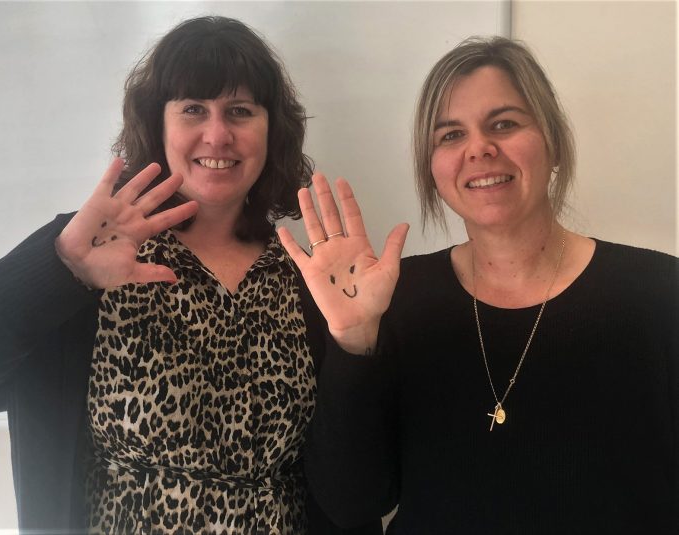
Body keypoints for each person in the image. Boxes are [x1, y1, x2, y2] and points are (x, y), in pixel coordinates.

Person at [0, 16, 380, 534]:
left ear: (270, 131)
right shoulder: (86, 256)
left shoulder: (311, 276)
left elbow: (356, 495)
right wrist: (60, 271)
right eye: (192, 109)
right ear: (157, 128)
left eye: (240, 111)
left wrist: (357, 345)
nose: (218, 133)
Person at [279, 36, 678, 533]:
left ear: (552, 141)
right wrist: (354, 342)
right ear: (433, 169)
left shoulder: (661, 295)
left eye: (504, 124)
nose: (479, 149)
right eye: (450, 135)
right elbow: (352, 502)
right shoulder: (395, 299)